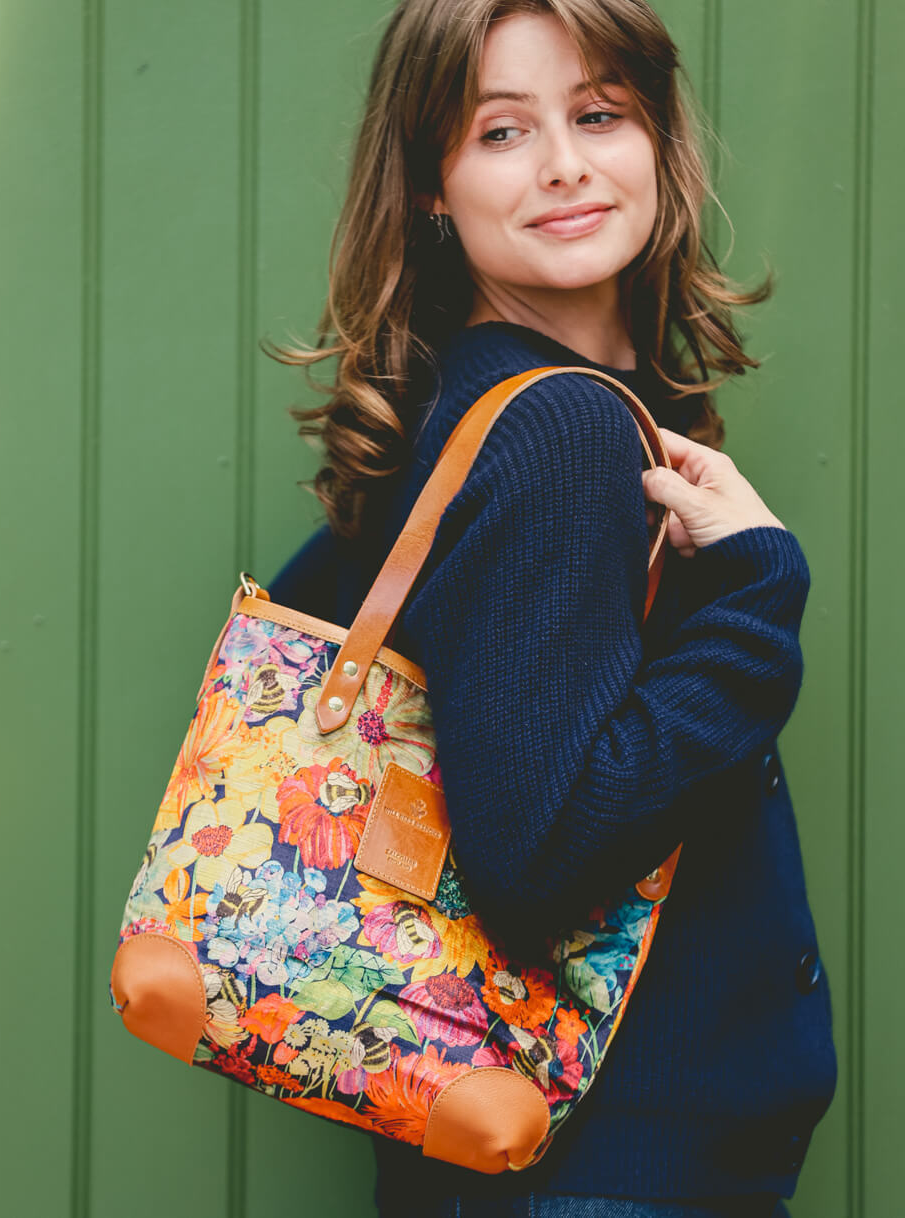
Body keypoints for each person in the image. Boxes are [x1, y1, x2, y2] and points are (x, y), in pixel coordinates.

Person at [266, 1, 837, 1215]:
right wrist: (754, 592)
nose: (566, 163)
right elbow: (536, 861)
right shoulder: (558, 431)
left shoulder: (478, 413)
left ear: (655, 140)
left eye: (596, 115)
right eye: (501, 132)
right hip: (593, 1167)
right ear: (433, 183)